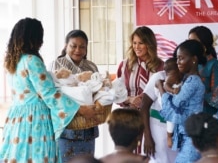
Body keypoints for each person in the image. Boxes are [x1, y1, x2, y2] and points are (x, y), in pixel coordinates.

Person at [0, 18, 101, 163]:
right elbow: (49, 93)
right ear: (34, 37)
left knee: (21, 157)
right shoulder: (32, 61)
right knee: (38, 157)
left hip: (17, 119)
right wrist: (80, 109)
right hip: (35, 120)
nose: (41, 41)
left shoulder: (14, 62)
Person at [50, 30, 99, 162]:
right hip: (66, 127)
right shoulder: (57, 64)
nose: (78, 50)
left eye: (82, 46)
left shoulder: (91, 66)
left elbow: (98, 91)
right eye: (73, 46)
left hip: (88, 126)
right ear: (66, 46)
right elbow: (54, 94)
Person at [159, 39, 207, 163]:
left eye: (181, 58)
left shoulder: (192, 82)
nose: (178, 62)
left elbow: (174, 104)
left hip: (192, 138)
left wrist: (161, 87)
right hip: (188, 135)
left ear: (194, 59)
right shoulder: (188, 79)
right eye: (177, 59)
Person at [140, 52, 179, 162]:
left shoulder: (186, 78)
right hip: (157, 132)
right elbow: (143, 107)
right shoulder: (159, 77)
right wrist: (147, 136)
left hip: (176, 133)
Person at [116, 26, 164, 109]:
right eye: (134, 43)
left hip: (152, 115)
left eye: (141, 43)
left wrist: (143, 100)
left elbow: (163, 94)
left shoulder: (161, 66)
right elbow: (116, 93)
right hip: (129, 115)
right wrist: (130, 99)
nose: (137, 47)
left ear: (149, 44)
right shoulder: (124, 65)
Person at [188, 26, 218, 115]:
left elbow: (217, 99)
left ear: (204, 45)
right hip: (188, 116)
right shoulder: (187, 63)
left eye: (193, 42)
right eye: (188, 41)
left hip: (206, 117)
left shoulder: (214, 64)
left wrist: (197, 91)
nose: (189, 45)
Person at [155, 57, 183, 148]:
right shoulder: (171, 77)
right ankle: (169, 136)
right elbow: (166, 86)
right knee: (171, 119)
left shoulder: (179, 76)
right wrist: (173, 90)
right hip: (165, 100)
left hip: (171, 100)